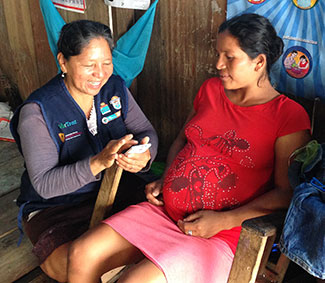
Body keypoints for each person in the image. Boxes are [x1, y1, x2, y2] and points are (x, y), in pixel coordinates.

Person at [67, 13, 311, 283]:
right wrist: (166, 178)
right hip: (165, 214)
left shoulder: (288, 116)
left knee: (134, 281)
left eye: (229, 57)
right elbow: (183, 141)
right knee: (81, 253)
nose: (218, 64)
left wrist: (225, 220)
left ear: (259, 62)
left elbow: (286, 194)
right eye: (218, 54)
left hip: (222, 236)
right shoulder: (210, 90)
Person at [10, 20, 158, 282]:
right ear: (64, 62)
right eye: (89, 65)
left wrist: (145, 155)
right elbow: (45, 184)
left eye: (106, 63)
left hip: (117, 191)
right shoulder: (38, 112)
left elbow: (146, 131)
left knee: (169, 221)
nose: (100, 74)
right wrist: (98, 162)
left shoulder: (114, 88)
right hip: (57, 207)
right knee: (75, 265)